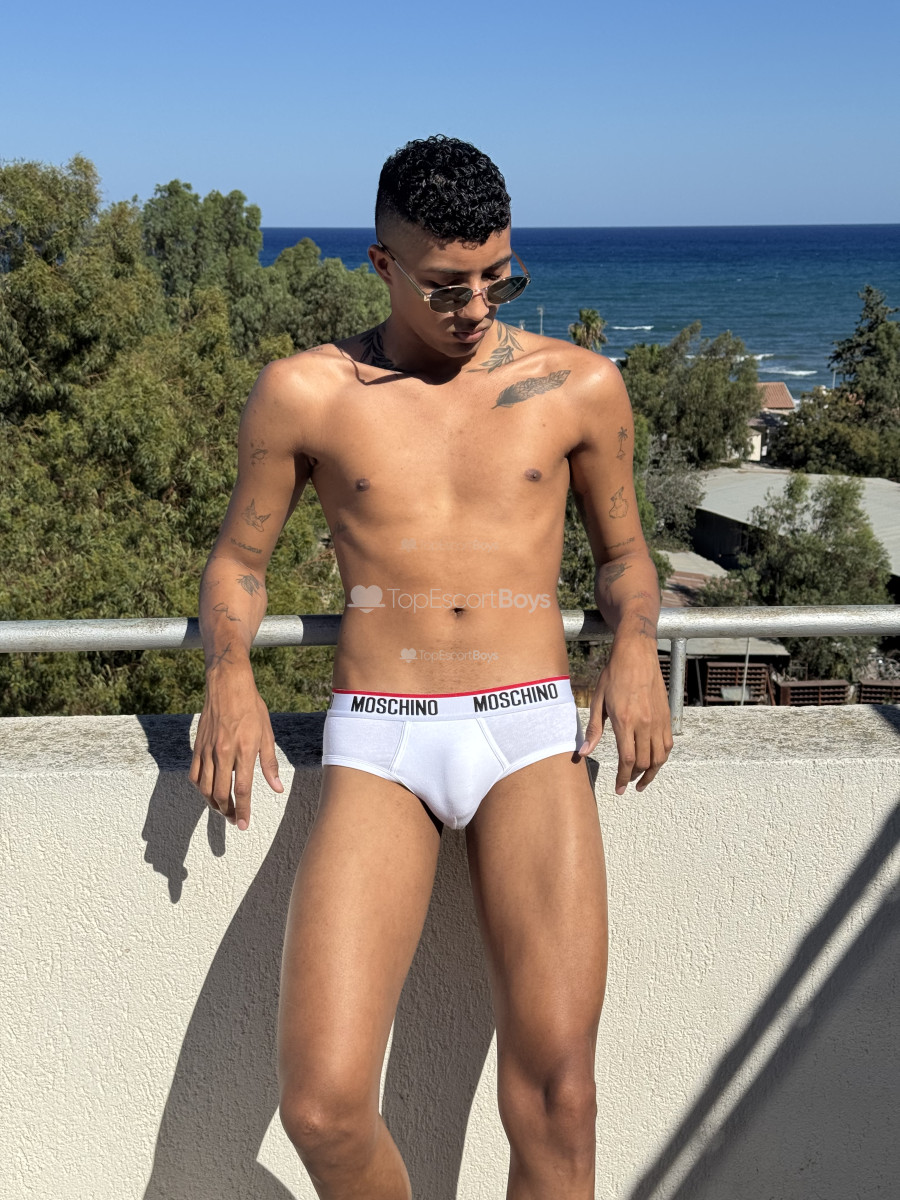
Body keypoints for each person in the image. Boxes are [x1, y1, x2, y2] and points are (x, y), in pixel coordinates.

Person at [189, 134, 673, 1199]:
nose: (477, 306)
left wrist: (636, 643)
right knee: (322, 1109)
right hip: (384, 733)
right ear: (382, 264)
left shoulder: (578, 385)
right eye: (448, 286)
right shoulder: (308, 393)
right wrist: (229, 672)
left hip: (530, 725)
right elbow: (238, 564)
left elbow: (626, 558)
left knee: (560, 1100)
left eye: (500, 276)